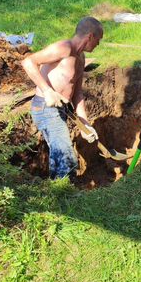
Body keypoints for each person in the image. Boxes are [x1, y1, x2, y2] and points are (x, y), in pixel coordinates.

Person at [21, 17, 103, 179]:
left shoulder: (81, 58)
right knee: (66, 158)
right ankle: (66, 194)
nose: (98, 44)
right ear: (90, 37)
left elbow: (77, 94)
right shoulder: (63, 48)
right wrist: (47, 91)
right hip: (45, 106)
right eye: (98, 40)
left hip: (61, 109)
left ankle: (57, 191)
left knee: (59, 154)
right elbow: (28, 62)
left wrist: (85, 125)